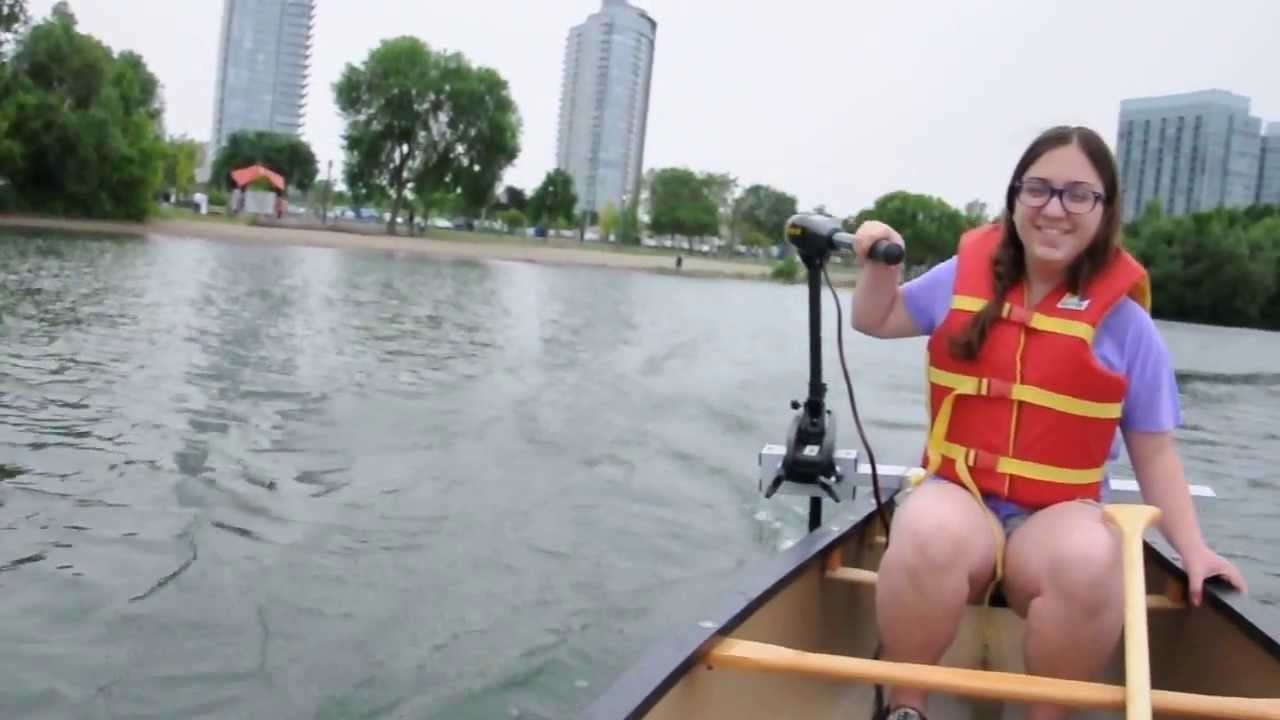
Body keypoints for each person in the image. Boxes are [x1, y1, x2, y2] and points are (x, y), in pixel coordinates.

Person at [847, 125, 1248, 720]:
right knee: (925, 529)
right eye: (1038, 190)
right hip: (963, 495)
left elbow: (1154, 453)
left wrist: (1194, 550)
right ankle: (908, 706)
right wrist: (880, 262)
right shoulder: (964, 275)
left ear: (1104, 210)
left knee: (1093, 560)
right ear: (1014, 200)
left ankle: (1048, 714)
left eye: (1078, 194)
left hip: (1057, 514)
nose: (1055, 209)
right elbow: (875, 319)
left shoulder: (1128, 325)